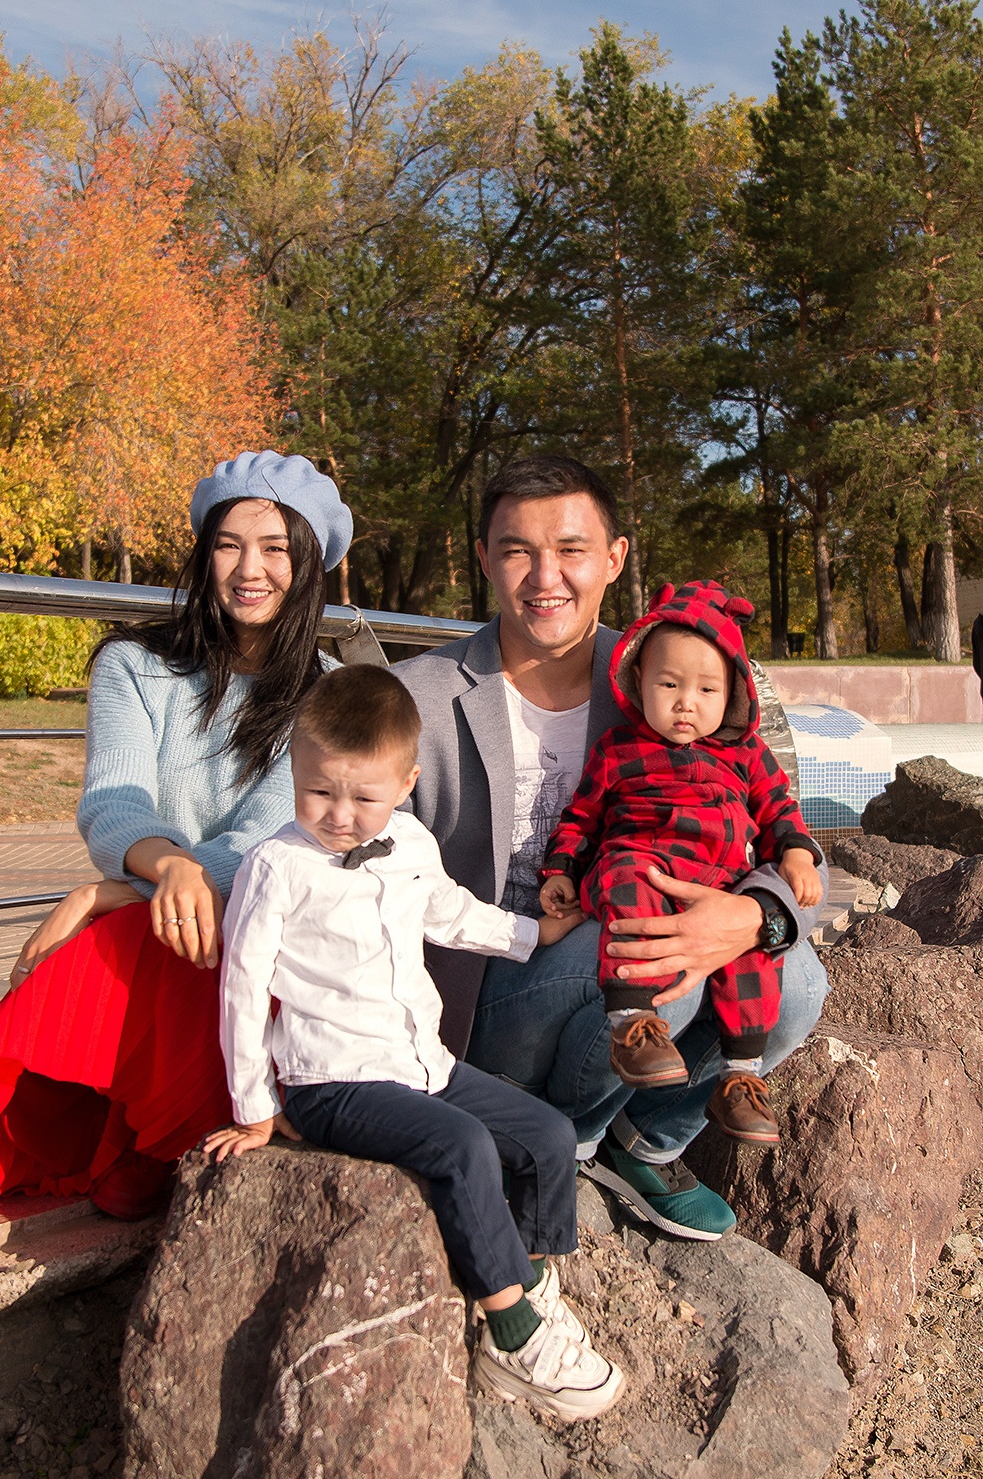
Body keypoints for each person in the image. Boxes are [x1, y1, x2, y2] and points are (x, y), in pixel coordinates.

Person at [0, 450, 353, 1235]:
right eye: (229, 544)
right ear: (203, 552)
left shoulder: (327, 691)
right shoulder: (135, 665)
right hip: (161, 923)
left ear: (309, 564)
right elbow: (115, 805)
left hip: (266, 935)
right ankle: (94, 1144)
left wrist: (108, 891)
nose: (250, 569)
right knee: (139, 941)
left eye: (277, 548)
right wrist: (166, 868)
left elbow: (273, 839)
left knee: (155, 930)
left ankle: (156, 1142)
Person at [391, 454, 829, 1242]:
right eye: (517, 550)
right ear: (485, 558)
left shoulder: (671, 667)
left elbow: (784, 822)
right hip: (497, 987)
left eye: (570, 549)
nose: (544, 576)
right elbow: (348, 845)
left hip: (633, 951)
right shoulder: (420, 694)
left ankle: (646, 1139)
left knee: (796, 979)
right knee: (665, 967)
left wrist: (752, 913)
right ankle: (553, 1137)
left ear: (616, 558)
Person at [204, 665, 624, 1422]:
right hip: (334, 1082)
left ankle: (526, 1272)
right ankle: (513, 1334)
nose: (337, 816)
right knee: (463, 1147)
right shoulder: (277, 866)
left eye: (362, 797)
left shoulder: (409, 841)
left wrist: (534, 933)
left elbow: (453, 914)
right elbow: (240, 986)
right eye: (318, 792)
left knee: (548, 1135)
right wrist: (256, 1106)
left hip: (420, 1062)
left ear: (404, 783)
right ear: (293, 772)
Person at [540, 580, 824, 1149]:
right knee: (629, 893)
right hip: (638, 862)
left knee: (753, 958)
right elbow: (582, 817)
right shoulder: (620, 749)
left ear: (734, 696)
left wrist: (795, 853)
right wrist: (561, 870)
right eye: (668, 684)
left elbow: (779, 810)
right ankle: (632, 1025)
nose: (685, 702)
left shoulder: (747, 755)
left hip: (719, 883)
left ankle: (739, 1077)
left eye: (706, 689)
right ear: (637, 683)